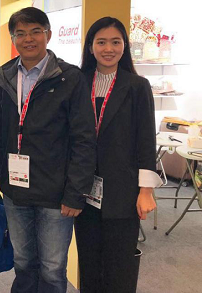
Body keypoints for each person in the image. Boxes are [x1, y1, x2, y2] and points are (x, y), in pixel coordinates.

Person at [0, 7, 96, 293]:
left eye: (35, 31)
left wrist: (76, 193)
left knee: (52, 268)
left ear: (48, 35)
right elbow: (2, 132)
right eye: (21, 33)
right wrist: (3, 178)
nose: (28, 39)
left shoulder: (69, 77)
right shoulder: (6, 77)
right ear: (13, 39)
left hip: (56, 193)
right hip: (16, 190)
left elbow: (84, 139)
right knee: (23, 262)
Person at [75, 16, 160, 293]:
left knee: (120, 266)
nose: (108, 49)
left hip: (123, 189)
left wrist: (146, 190)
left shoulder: (137, 86)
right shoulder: (77, 82)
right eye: (101, 42)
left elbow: (146, 140)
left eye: (115, 42)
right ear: (90, 47)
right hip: (84, 189)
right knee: (89, 264)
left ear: (125, 46)